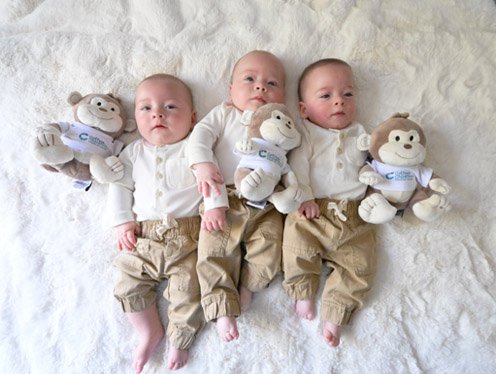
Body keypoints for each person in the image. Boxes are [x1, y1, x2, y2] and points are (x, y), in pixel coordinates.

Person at [108, 74, 224, 372]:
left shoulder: (195, 149)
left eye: (171, 107)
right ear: (135, 118)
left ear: (193, 118)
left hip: (188, 236)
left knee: (188, 291)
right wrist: (122, 223)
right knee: (127, 284)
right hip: (142, 237)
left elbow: (212, 180)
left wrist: (214, 208)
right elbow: (119, 187)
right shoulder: (131, 153)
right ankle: (148, 331)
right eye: (146, 108)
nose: (158, 113)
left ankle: (180, 339)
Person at [188, 50, 287, 342]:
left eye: (272, 84)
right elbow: (198, 138)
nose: (261, 87)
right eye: (250, 79)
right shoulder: (224, 113)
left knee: (270, 249)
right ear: (231, 89)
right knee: (214, 252)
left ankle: (248, 286)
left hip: (266, 202)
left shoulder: (282, 123)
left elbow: (291, 160)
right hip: (223, 197)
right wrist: (203, 165)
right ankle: (221, 308)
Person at [282, 58, 376, 347]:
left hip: (354, 215)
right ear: (303, 109)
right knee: (297, 247)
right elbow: (297, 166)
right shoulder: (307, 133)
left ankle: (336, 313)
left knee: (359, 267)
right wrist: (305, 195)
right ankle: (303, 292)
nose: (339, 102)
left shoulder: (362, 134)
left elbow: (372, 166)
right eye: (326, 96)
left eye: (347, 94)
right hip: (312, 210)